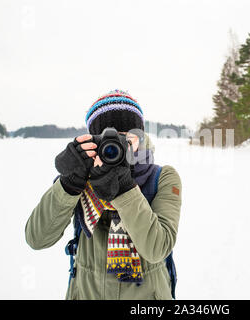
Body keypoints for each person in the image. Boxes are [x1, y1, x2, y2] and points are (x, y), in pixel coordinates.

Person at [25, 89, 182, 300]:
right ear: (92, 141)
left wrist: (125, 189)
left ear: (141, 136)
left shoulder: (162, 177)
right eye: (107, 139)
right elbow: (37, 239)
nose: (117, 147)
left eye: (126, 138)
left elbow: (157, 248)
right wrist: (68, 185)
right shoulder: (81, 178)